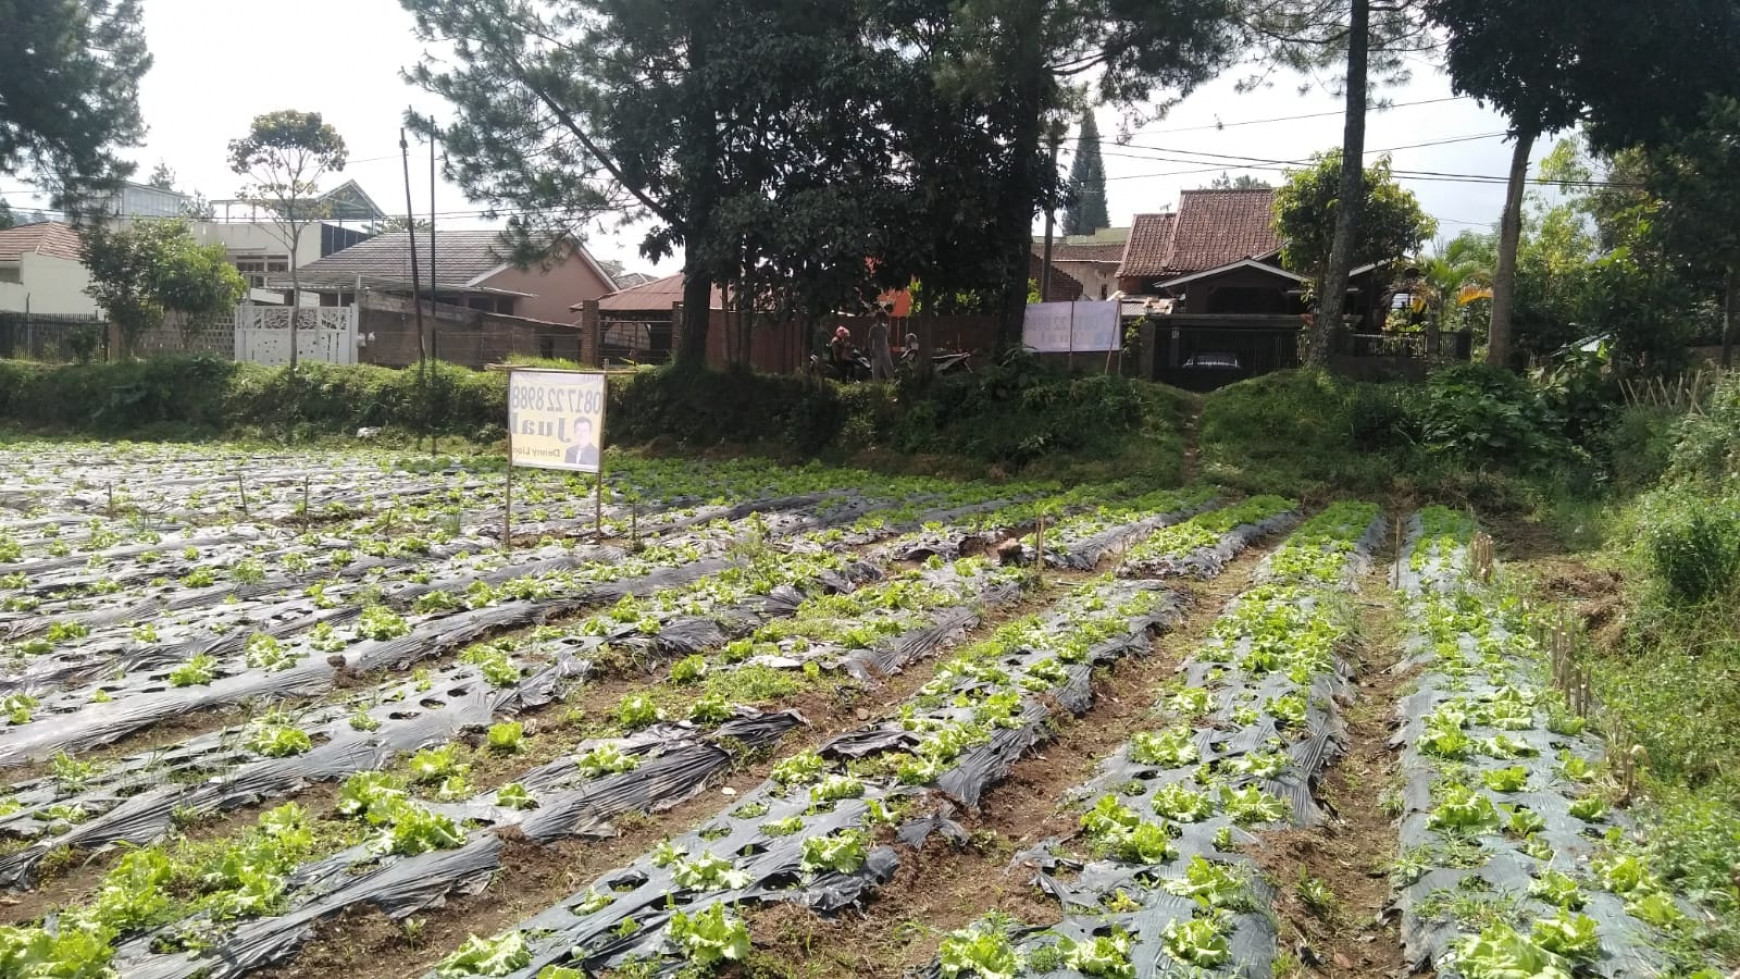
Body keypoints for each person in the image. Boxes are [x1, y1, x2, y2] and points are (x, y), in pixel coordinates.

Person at [868, 311, 896, 381]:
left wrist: (891, 348)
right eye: (879, 318)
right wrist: (871, 350)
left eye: (882, 318)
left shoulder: (886, 327)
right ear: (876, 318)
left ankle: (891, 381)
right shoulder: (873, 328)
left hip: (885, 349)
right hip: (876, 350)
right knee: (876, 368)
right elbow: (870, 339)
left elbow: (889, 338)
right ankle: (876, 384)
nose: (880, 319)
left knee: (889, 367)